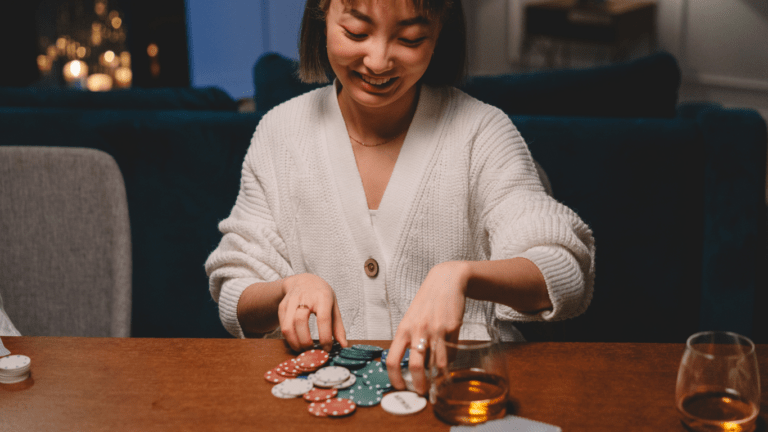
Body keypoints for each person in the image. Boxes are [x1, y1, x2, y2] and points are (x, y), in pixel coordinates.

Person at [205, 0, 595, 395]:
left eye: (410, 38)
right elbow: (234, 290)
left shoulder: (482, 131)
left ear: (440, 31)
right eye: (356, 32)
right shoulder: (279, 134)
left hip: (460, 396)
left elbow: (566, 268)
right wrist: (287, 288)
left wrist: (462, 276)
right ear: (323, 13)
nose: (377, 61)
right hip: (321, 403)